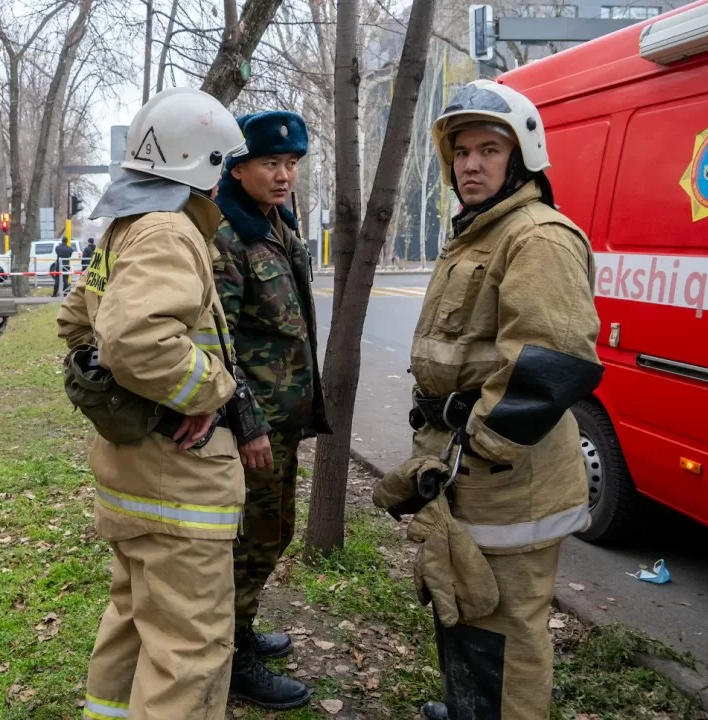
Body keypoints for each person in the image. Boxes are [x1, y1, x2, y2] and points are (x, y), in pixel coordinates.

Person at [374, 80, 603, 720]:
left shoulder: (537, 238)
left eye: (489, 150)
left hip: (509, 481)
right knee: (465, 602)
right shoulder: (478, 233)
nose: (470, 164)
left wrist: (473, 450)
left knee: (505, 629)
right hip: (470, 475)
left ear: (520, 156)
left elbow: (551, 365)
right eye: (462, 152)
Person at [57, 86, 250, 720]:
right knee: (188, 648)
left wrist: (127, 399)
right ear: (203, 163)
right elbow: (137, 340)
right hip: (179, 483)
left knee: (133, 624)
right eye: (224, 166)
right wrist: (209, 392)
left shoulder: (124, 227)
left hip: (133, 476)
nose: (225, 186)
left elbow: (77, 326)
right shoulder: (169, 231)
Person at [211, 111, 331, 710]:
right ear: (239, 166)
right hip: (254, 428)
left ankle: (242, 629)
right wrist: (245, 421)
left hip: (283, 423)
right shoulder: (227, 235)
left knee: (274, 531)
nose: (284, 176)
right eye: (270, 164)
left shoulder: (275, 223)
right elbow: (219, 340)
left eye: (291, 165)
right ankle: (230, 659)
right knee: (252, 539)